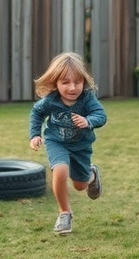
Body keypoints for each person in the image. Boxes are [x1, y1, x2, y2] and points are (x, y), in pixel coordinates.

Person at [29, 52, 107, 234]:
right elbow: (36, 113)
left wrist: (89, 121)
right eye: (65, 82)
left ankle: (91, 175)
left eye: (77, 82)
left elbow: (101, 115)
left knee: (80, 185)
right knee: (61, 170)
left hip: (81, 146)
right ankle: (64, 213)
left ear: (83, 82)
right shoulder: (50, 101)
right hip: (57, 142)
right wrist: (35, 135)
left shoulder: (87, 98)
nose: (72, 88)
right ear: (55, 83)